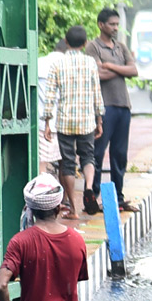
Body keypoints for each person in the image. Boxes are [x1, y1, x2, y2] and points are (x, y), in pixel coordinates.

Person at [41, 25, 104, 219]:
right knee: (88, 156)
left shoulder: (57, 64)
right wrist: (99, 119)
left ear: (66, 42)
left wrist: (47, 123)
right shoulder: (90, 63)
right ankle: (88, 187)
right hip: (86, 120)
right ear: (85, 44)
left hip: (65, 121)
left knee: (67, 163)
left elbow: (50, 95)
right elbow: (97, 93)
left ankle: (75, 210)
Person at [86, 7, 137, 211]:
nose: (116, 28)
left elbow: (134, 71)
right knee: (98, 153)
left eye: (117, 24)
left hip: (123, 106)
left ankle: (119, 197)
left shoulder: (121, 47)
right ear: (101, 25)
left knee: (120, 154)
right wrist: (120, 70)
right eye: (112, 24)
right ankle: (94, 196)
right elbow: (98, 74)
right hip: (104, 107)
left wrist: (110, 66)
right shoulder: (93, 47)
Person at [36, 38, 67, 177]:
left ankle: (41, 195)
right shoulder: (68, 66)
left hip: (43, 123)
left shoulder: (38, 63)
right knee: (66, 163)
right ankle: (65, 198)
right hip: (65, 124)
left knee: (41, 163)